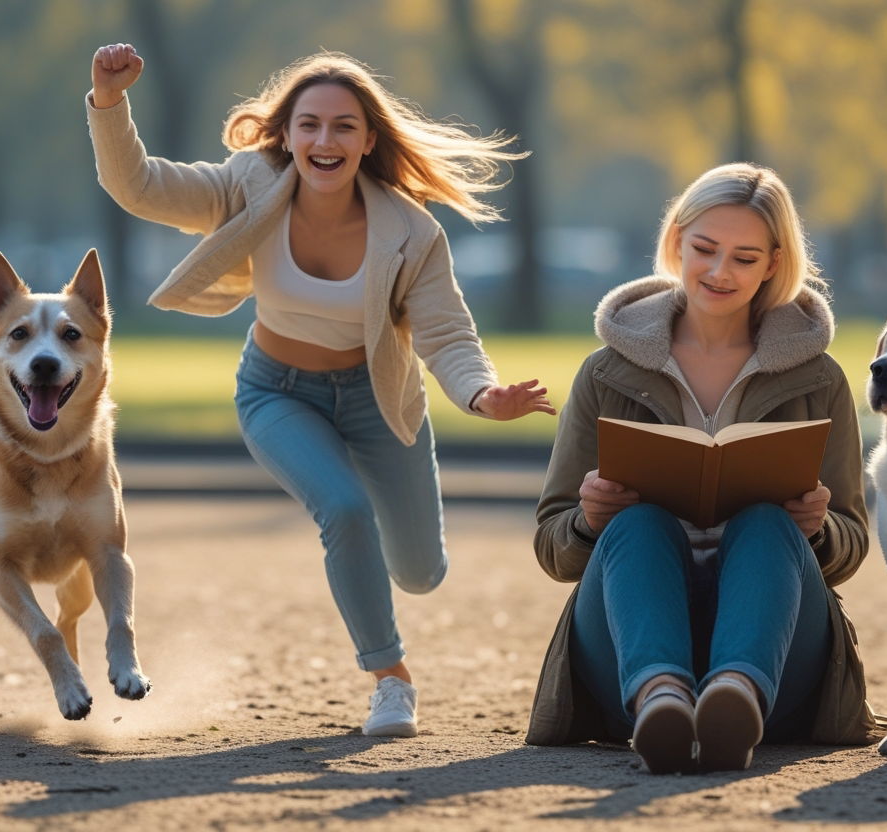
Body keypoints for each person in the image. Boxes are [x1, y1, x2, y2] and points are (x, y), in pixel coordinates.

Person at [85, 44, 553, 737]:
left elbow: (446, 335)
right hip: (278, 392)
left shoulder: (410, 231)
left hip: (378, 400)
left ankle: (395, 599)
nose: (323, 140)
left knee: (422, 573)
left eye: (342, 126)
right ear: (287, 135)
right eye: (308, 124)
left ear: (368, 141)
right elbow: (143, 187)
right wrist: (108, 101)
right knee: (344, 509)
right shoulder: (250, 182)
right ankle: (391, 681)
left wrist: (485, 396)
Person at [527, 163, 887, 772]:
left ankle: (733, 698)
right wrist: (589, 521)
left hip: (775, 669)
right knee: (639, 525)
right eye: (705, 249)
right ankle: (661, 698)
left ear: (775, 263)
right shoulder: (605, 371)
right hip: (627, 658)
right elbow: (552, 544)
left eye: (745, 258)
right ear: (676, 240)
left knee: (766, 523)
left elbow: (851, 546)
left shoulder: (819, 378)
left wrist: (818, 529)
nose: (721, 272)